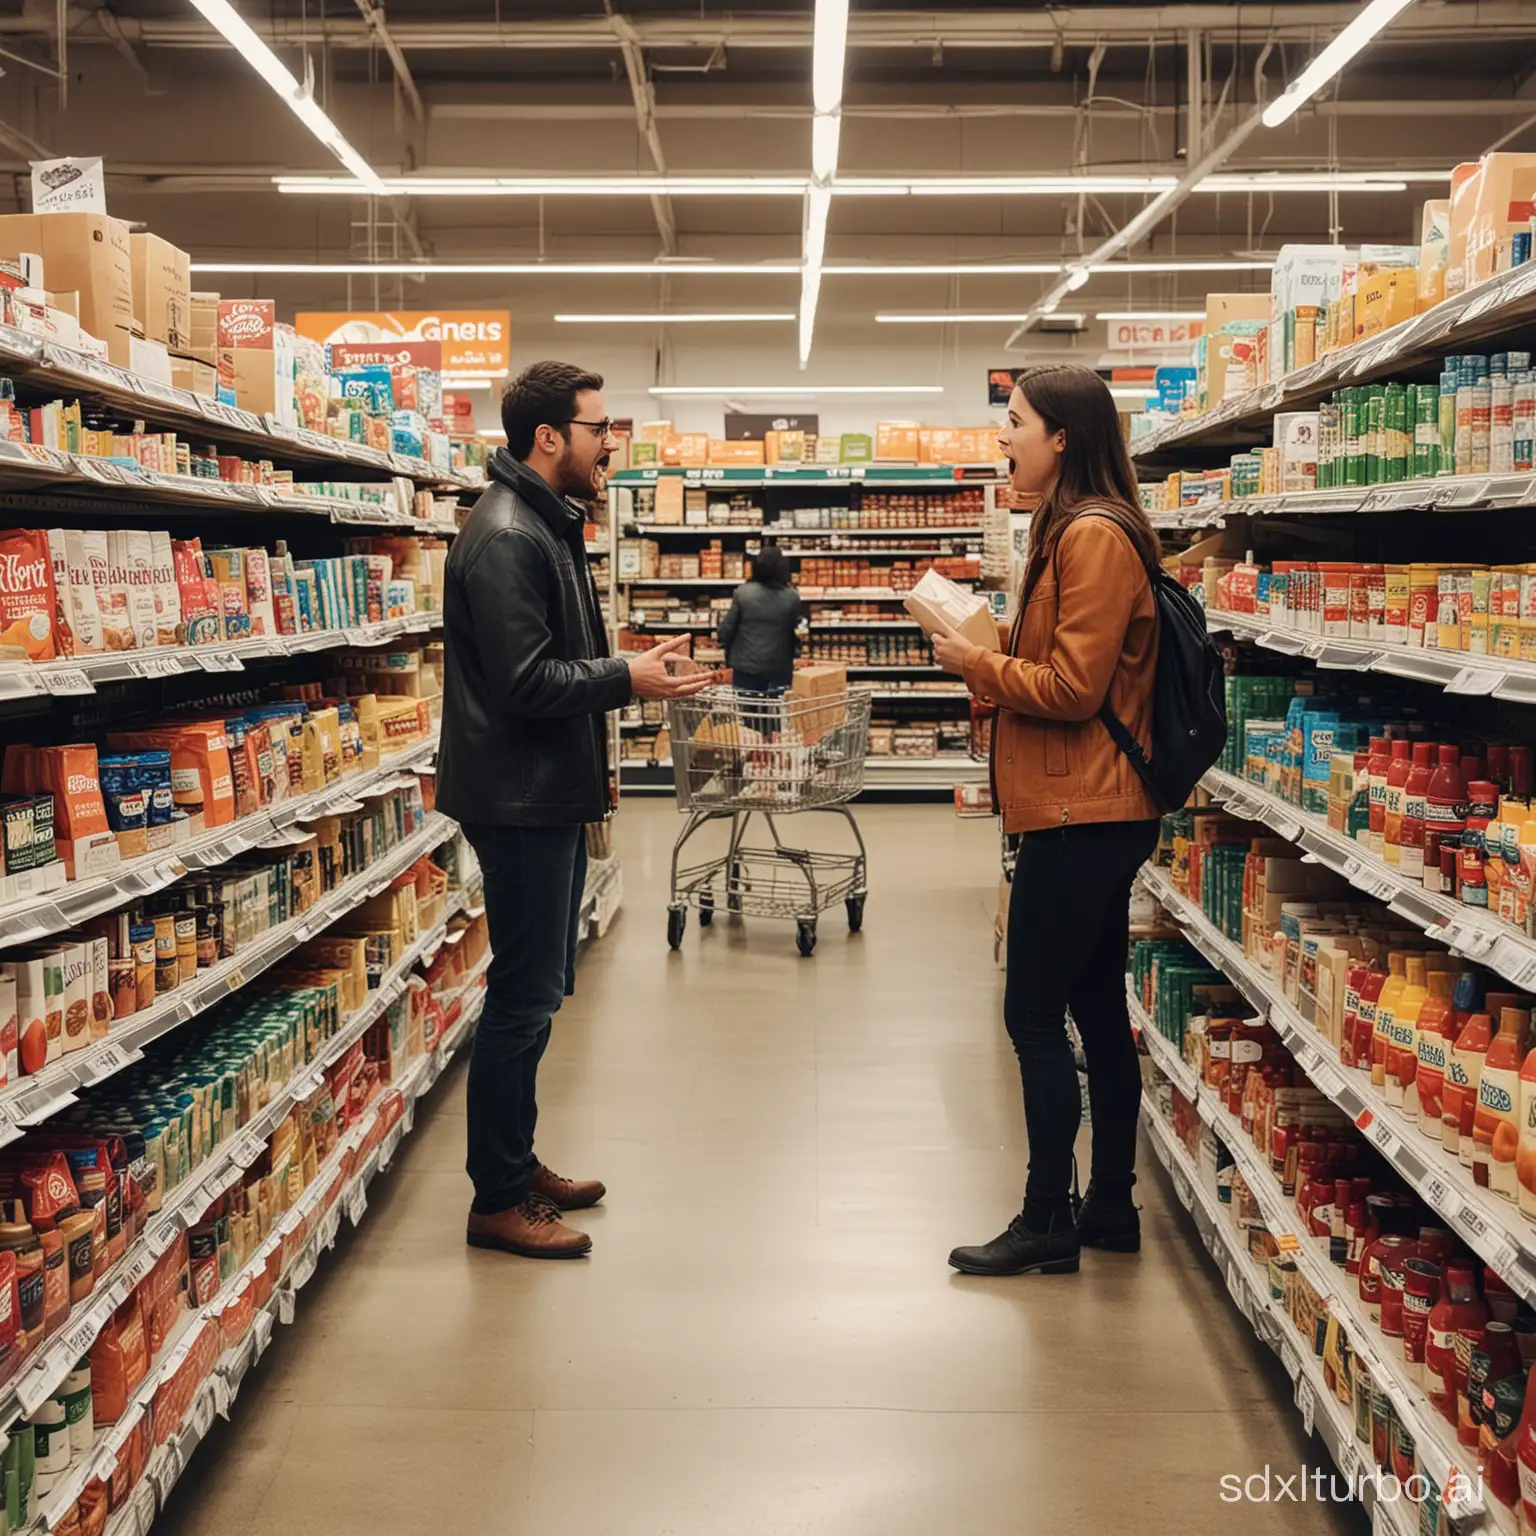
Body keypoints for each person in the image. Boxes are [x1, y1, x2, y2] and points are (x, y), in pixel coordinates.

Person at [437, 360, 715, 1261]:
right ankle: (496, 1199)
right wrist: (623, 678)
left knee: (541, 994)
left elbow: (555, 655)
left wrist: (623, 662)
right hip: (518, 799)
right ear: (549, 436)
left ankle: (516, 1164)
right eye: (599, 428)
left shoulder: (545, 523)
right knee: (521, 999)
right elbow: (524, 681)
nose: (610, 444)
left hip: (542, 790)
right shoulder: (512, 534)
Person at [930, 364, 1163, 1279]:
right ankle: (1107, 1204)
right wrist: (999, 665)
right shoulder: (1066, 530)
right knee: (1098, 1007)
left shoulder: (1093, 536)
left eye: (1016, 422)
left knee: (1032, 1014)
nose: (1005, 439)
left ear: (1063, 437)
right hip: (1085, 804)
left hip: (1082, 811)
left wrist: (975, 667)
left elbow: (1074, 690)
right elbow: (1065, 671)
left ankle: (1045, 1219)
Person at [716, 544, 805, 694]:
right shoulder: (791, 597)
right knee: (775, 712)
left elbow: (726, 631)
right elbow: (797, 632)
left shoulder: (743, 593)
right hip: (779, 669)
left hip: (746, 668)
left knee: (748, 713)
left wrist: (722, 643)